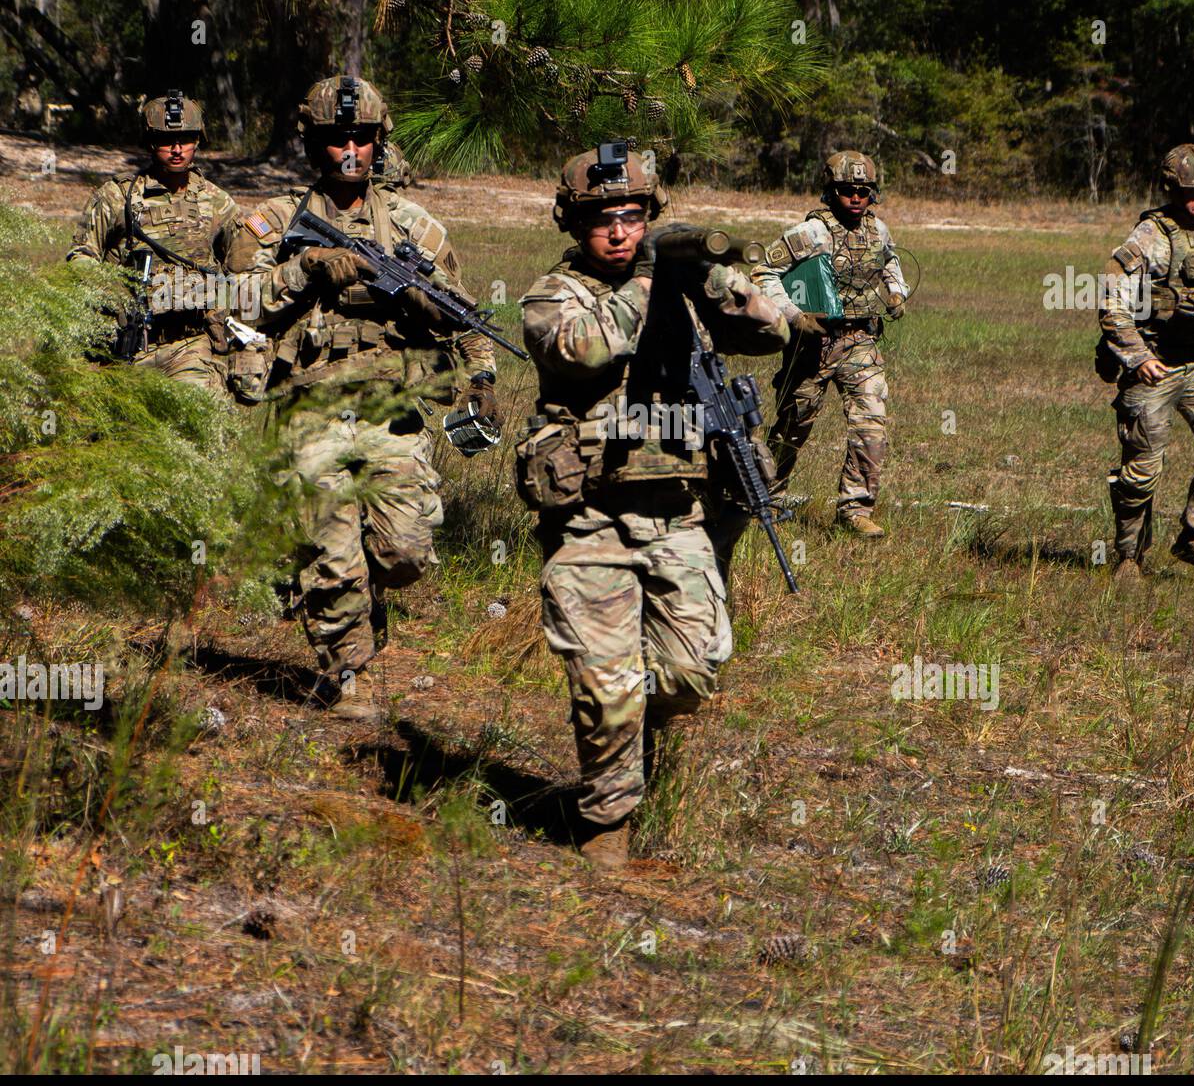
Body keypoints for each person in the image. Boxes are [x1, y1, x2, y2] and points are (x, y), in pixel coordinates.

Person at [516, 145, 789, 871]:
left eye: (632, 217)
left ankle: (636, 727)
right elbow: (579, 350)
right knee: (606, 690)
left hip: (678, 514)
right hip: (590, 519)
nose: (619, 232)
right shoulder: (553, 294)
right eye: (602, 219)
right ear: (576, 225)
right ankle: (607, 832)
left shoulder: (686, 288)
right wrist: (648, 284)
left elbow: (772, 331)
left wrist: (713, 279)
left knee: (692, 672)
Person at [226, 75, 497, 719]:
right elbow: (235, 303)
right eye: (335, 137)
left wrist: (481, 380)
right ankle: (350, 670)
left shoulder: (416, 229)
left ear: (380, 142)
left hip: (391, 407)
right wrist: (304, 270)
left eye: (362, 137)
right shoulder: (270, 223)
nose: (350, 149)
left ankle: (368, 598)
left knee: (404, 550)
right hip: (306, 406)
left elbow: (464, 318)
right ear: (312, 143)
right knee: (328, 546)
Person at [1098, 143, 1194, 584]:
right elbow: (1111, 304)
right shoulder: (1148, 238)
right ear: (1172, 190)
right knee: (1142, 472)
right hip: (1155, 365)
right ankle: (1129, 557)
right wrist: (1139, 357)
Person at [752, 150, 908, 535]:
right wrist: (794, 316)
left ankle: (856, 509)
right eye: (846, 191)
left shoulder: (879, 230)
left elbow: (889, 261)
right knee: (794, 425)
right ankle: (765, 499)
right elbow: (764, 270)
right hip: (814, 346)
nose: (856, 198)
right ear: (830, 191)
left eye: (864, 191)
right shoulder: (811, 233)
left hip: (861, 341)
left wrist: (896, 292)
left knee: (871, 424)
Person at [67, 91, 243, 398]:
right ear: (150, 142)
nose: (177, 149)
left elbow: (243, 265)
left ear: (197, 141)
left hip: (191, 345)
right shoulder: (117, 196)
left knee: (193, 427)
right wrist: (112, 292)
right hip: (130, 344)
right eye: (165, 140)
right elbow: (81, 255)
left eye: (186, 139)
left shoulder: (218, 202)